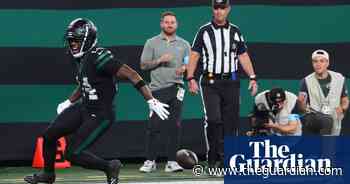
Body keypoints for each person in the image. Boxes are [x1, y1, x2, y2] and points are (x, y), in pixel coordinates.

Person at [24, 18, 170, 184]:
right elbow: (85, 83)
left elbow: (132, 74)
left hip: (101, 113)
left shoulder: (99, 56)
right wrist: (69, 101)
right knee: (49, 135)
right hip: (84, 107)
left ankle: (109, 166)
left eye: (76, 41)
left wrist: (151, 100)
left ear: (88, 40)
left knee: (73, 153)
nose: (72, 44)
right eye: (71, 41)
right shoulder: (81, 58)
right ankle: (48, 174)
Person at [186, 0, 258, 168]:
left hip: (231, 82)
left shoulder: (235, 31)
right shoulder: (204, 31)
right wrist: (190, 78)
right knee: (213, 120)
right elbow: (194, 54)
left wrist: (252, 77)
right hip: (210, 82)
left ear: (228, 9)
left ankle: (228, 160)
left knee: (231, 122)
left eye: (222, 8)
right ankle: (212, 158)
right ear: (212, 9)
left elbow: (243, 55)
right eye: (216, 8)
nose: (219, 11)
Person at [138, 11, 190, 173]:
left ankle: (172, 162)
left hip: (177, 89)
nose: (169, 25)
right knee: (154, 126)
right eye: (166, 22)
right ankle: (150, 161)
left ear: (177, 25)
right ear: (162, 24)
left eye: (172, 22)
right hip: (157, 91)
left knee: (174, 126)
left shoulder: (184, 44)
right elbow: (143, 66)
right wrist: (160, 60)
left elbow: (189, 64)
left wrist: (185, 68)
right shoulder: (151, 43)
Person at [298, 49, 349, 136]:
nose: (318, 64)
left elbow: (345, 99)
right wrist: (301, 103)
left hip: (335, 117)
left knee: (332, 136)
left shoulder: (339, 78)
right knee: (326, 121)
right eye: (315, 61)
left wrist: (342, 108)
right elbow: (302, 108)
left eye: (322, 61)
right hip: (314, 118)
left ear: (327, 63)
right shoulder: (306, 81)